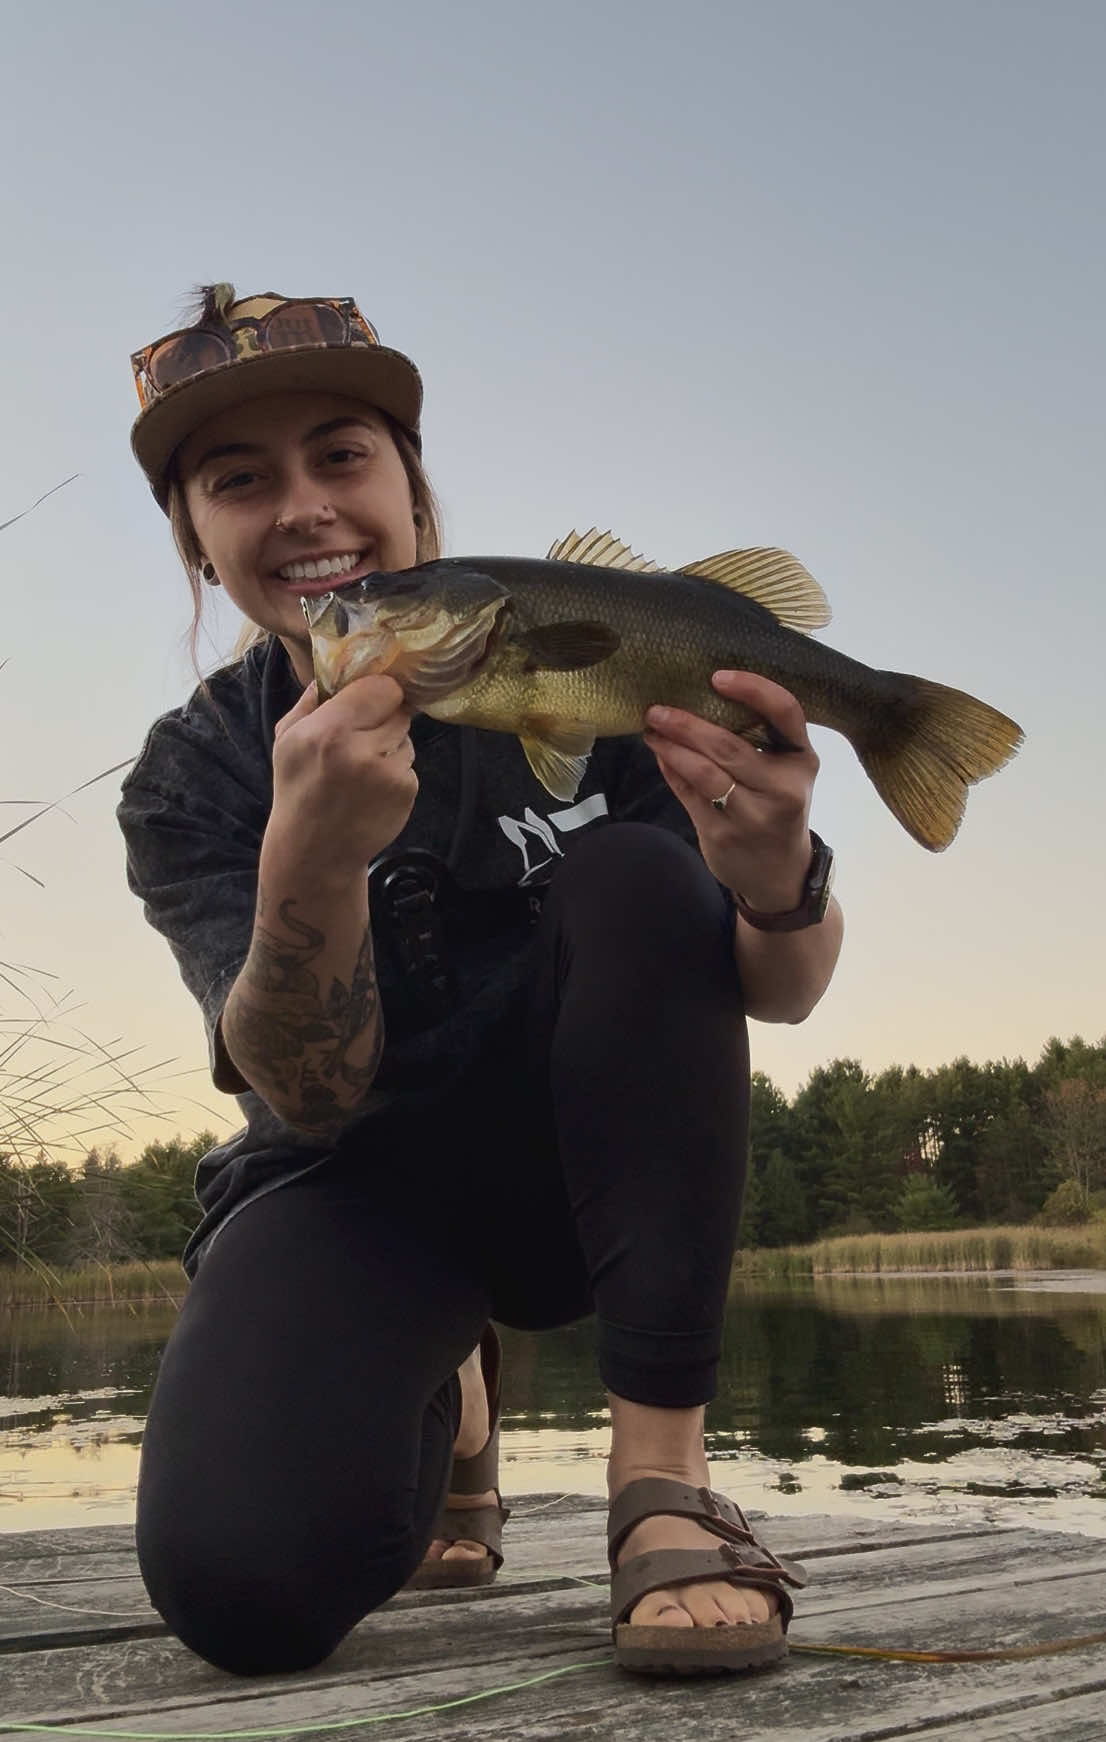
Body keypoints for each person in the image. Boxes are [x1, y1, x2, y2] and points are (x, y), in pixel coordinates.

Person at [117, 284, 844, 1681]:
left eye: (342, 454)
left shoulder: (595, 675)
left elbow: (783, 988)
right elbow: (308, 1088)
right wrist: (309, 864)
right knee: (240, 1591)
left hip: (594, 1178)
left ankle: (662, 1486)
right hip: (358, 1186)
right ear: (199, 544)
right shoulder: (195, 771)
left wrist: (774, 873)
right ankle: (454, 1405)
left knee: (636, 876)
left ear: (412, 494)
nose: (304, 508)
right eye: (237, 480)